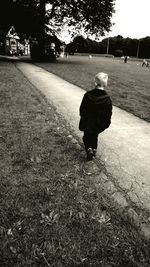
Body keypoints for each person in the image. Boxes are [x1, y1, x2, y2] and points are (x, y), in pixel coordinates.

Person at [79, 72, 112, 160]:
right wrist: (106, 123)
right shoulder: (107, 98)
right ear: (105, 84)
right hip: (99, 123)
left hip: (88, 122)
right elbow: (108, 113)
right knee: (94, 135)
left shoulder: (88, 95)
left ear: (95, 83)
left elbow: (82, 109)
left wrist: (83, 117)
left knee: (86, 136)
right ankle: (94, 149)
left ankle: (89, 149)